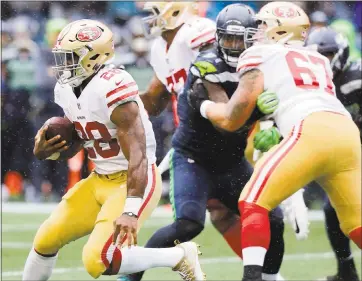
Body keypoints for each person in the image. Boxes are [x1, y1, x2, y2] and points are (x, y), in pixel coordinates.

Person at [187, 2, 362, 281]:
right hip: (347, 133)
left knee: (253, 203)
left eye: (263, 25)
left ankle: (253, 277)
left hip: (311, 130)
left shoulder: (258, 54)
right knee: (355, 223)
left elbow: (232, 118)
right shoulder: (316, 59)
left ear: (279, 31)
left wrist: (204, 105)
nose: (256, 32)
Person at [22, 19, 206, 281]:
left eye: (70, 57)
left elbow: (138, 152)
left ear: (94, 56)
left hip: (133, 179)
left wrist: (130, 210)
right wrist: (48, 150)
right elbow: (80, 139)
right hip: (99, 178)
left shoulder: (112, 85)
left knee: (97, 259)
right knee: (44, 240)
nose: (63, 64)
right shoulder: (65, 87)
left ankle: (178, 256)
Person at [120, 3, 254, 281]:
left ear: (175, 13)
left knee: (254, 213)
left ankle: (265, 274)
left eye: (157, 12)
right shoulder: (160, 48)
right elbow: (155, 99)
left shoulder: (196, 32)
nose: (151, 19)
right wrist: (120, 100)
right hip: (195, 140)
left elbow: (222, 54)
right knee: (206, 218)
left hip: (229, 131)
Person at [305, 27, 361, 281]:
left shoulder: (356, 77)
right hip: (348, 158)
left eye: (326, 56)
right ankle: (346, 270)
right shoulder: (312, 87)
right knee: (331, 210)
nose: (321, 63)